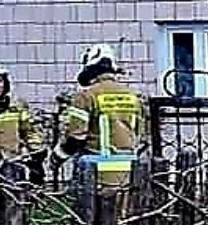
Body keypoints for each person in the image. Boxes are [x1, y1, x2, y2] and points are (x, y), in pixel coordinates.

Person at [52, 44, 145, 193]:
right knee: (124, 215)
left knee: (93, 215)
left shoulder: (86, 96)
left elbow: (75, 138)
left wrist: (56, 158)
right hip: (128, 173)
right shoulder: (132, 96)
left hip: (96, 174)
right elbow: (140, 134)